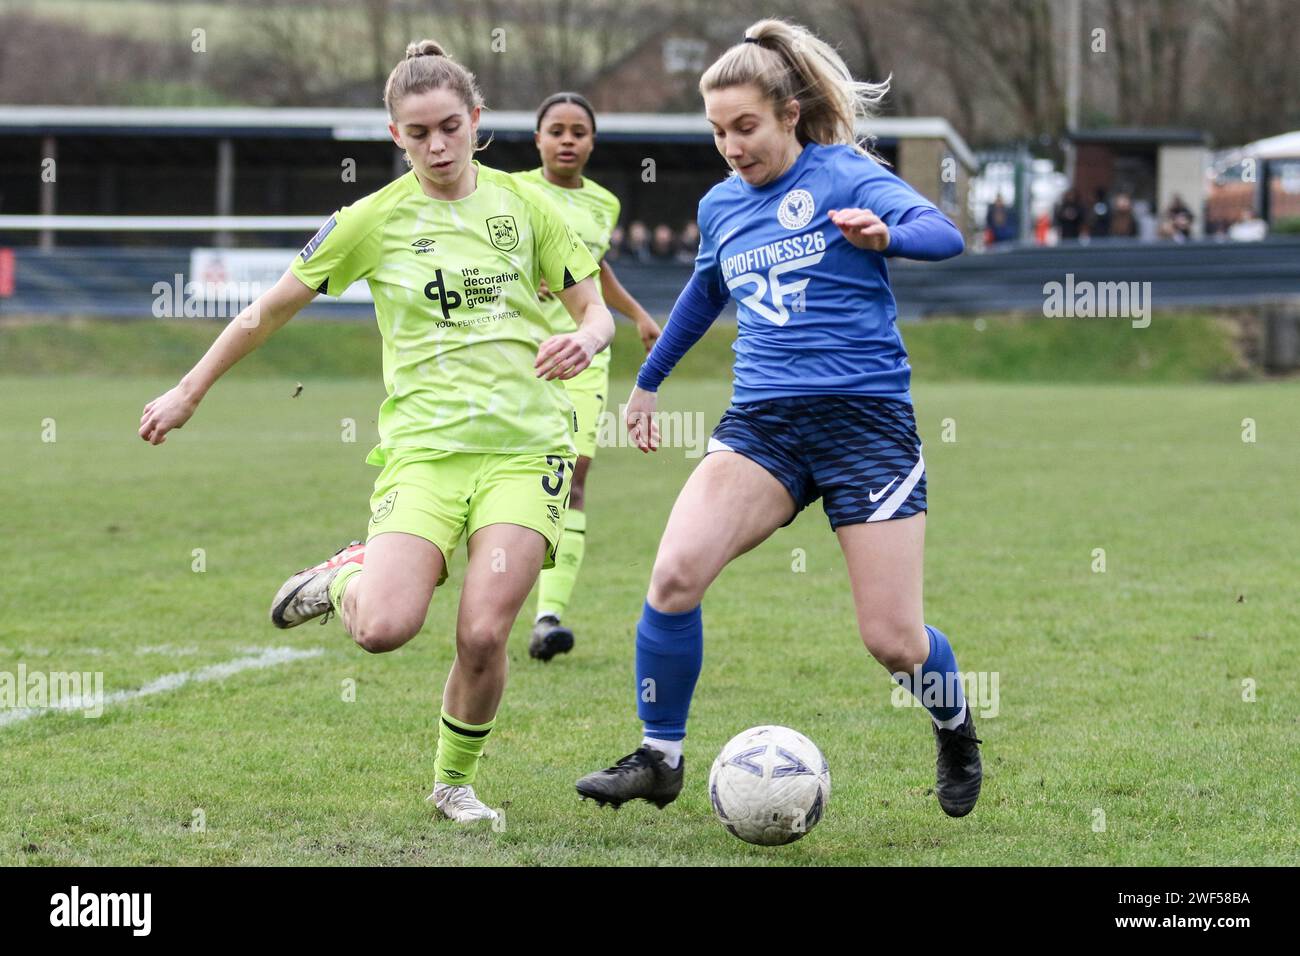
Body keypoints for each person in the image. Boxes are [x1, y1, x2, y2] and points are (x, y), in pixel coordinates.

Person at [137, 40, 614, 824]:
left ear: (478, 122)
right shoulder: (371, 221)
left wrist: (587, 340)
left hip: (525, 450)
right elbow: (268, 311)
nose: (436, 146)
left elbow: (592, 310)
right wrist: (190, 390)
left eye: (449, 127)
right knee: (386, 630)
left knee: (486, 632)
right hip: (423, 456)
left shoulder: (532, 209)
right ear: (395, 134)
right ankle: (343, 580)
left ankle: (453, 784)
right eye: (417, 132)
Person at [574, 18, 982, 819]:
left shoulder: (844, 174)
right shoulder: (723, 205)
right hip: (762, 426)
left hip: (865, 423)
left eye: (746, 127)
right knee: (673, 576)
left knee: (893, 641)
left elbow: (946, 234)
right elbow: (703, 296)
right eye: (718, 130)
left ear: (790, 113)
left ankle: (956, 725)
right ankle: (661, 756)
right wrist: (648, 382)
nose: (732, 145)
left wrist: (885, 232)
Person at [513, 91, 662, 661]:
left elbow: (594, 267)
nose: (568, 139)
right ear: (538, 140)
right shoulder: (515, 191)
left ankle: (548, 618)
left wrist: (636, 312)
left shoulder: (604, 203)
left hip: (585, 359)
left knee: (572, 478)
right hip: (520, 353)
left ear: (592, 142)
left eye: (579, 131)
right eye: (557, 130)